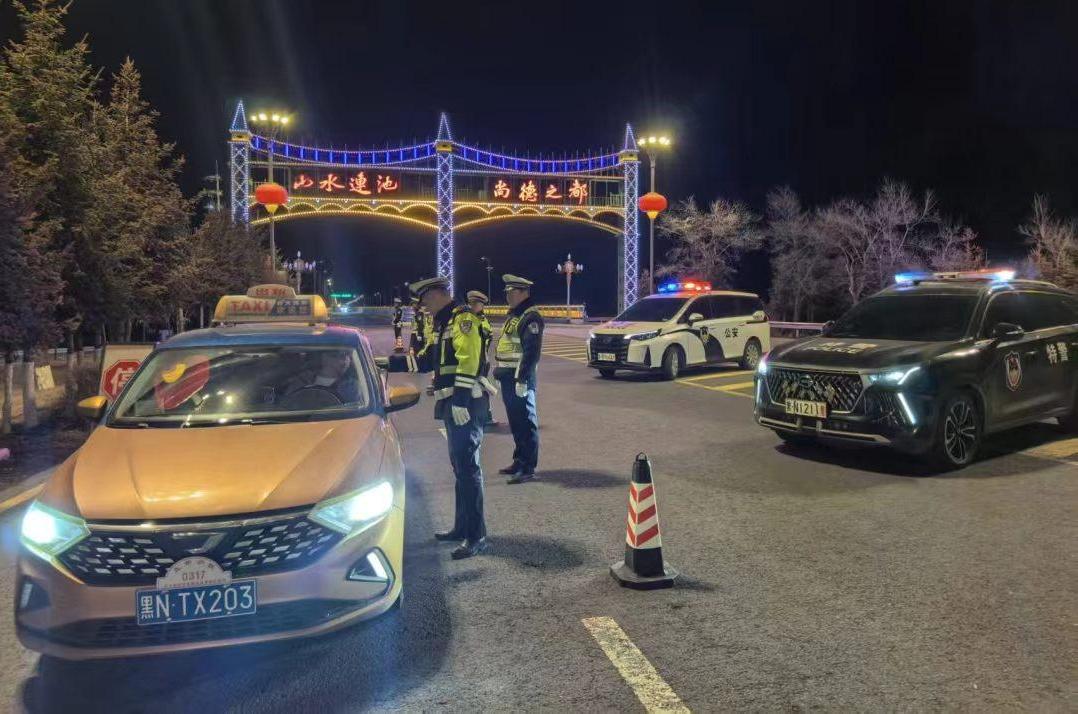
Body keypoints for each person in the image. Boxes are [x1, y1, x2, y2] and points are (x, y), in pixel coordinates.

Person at [389, 277, 489, 559]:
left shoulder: (462, 319)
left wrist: (460, 400)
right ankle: (462, 527)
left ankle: (476, 535)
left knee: (468, 469)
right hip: (452, 402)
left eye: (425, 301)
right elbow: (426, 360)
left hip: (465, 402)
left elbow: (470, 359)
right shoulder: (443, 323)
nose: (424, 307)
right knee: (460, 468)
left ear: (436, 295)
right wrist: (387, 363)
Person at [494, 274, 544, 483]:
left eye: (511, 292)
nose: (508, 296)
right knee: (516, 422)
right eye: (507, 292)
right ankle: (519, 460)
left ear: (523, 293)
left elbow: (531, 352)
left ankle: (527, 467)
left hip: (520, 379)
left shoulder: (531, 317)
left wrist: (522, 380)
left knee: (526, 423)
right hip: (509, 378)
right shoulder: (516, 315)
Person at [467, 290, 498, 427]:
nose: (473, 306)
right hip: (470, 361)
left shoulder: (483, 321)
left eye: (476, 303)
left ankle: (485, 416)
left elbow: (486, 339)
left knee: (482, 389)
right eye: (471, 303)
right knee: (471, 388)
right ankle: (476, 417)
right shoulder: (467, 320)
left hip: (481, 361)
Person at [282, 350, 361, 403]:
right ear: (324, 357)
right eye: (340, 356)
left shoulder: (352, 386)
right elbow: (287, 404)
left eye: (348, 356)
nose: (346, 361)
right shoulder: (302, 380)